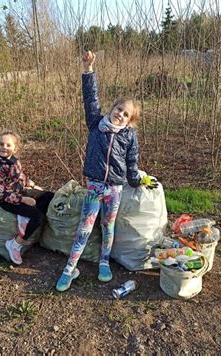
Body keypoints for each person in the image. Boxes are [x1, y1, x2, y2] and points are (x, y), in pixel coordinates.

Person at [56, 51, 146, 292]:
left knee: (109, 227)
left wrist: (136, 179)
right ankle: (69, 268)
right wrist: (88, 70)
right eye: (118, 109)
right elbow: (90, 98)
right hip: (95, 186)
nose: (120, 114)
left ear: (130, 121)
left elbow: (132, 160)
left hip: (115, 189)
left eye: (126, 114)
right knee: (84, 228)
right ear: (112, 108)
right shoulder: (96, 123)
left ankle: (104, 262)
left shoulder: (129, 136)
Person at [0, 130, 54, 265]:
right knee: (37, 216)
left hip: (19, 192)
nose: (4, 147)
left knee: (49, 196)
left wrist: (31, 184)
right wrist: (23, 200)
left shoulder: (12, 160)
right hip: (7, 200)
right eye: (1, 144)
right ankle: (15, 244)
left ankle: (25, 216)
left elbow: (19, 175)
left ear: (15, 148)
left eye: (8, 145)